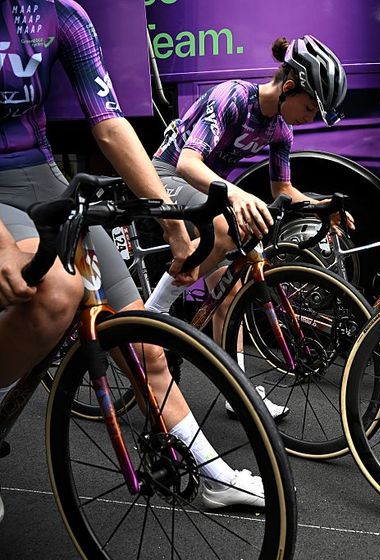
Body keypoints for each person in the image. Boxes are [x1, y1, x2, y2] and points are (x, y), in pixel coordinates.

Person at [0, 0, 262, 515]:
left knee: (143, 342)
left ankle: (213, 474)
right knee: (55, 294)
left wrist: (170, 221)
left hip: (42, 176)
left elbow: (110, 124)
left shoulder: (61, 13)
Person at [142, 35, 351, 415]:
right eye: (309, 107)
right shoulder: (234, 96)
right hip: (165, 174)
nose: (311, 119)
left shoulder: (281, 131)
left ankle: (237, 395)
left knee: (232, 291)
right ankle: (152, 317)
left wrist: (320, 207)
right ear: (289, 87)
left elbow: (283, 189)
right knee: (226, 227)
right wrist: (237, 196)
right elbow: (188, 164)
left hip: (204, 189)